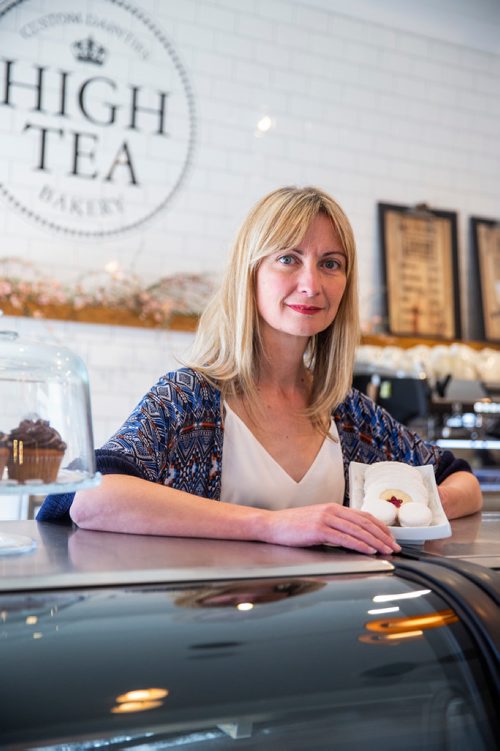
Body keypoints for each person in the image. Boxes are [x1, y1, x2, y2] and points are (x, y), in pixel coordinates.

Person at [38, 186, 482, 554]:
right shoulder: (190, 397)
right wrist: (274, 525)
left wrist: (412, 507)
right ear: (249, 274)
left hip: (324, 635)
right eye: (288, 258)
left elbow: (462, 481)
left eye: (330, 264)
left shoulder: (346, 412)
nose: (311, 284)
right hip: (212, 638)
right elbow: (91, 500)